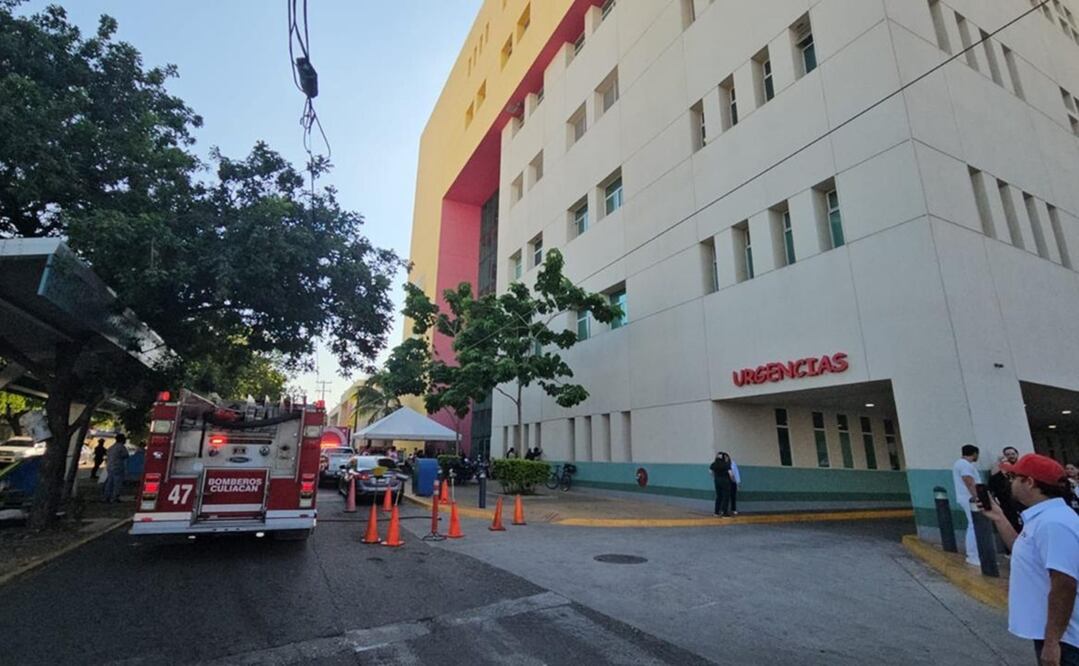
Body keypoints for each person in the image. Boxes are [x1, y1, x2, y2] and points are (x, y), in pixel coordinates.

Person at [980, 453, 1079, 666]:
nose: (1011, 483)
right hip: (1056, 634)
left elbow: (1065, 584)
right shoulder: (1042, 519)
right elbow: (1023, 550)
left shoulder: (1054, 524)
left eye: (1014, 478)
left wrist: (1052, 643)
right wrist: (998, 516)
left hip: (1067, 641)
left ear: (1030, 482)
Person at [953, 444, 982, 566]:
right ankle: (972, 555)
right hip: (969, 499)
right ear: (974, 453)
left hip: (967, 498)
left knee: (974, 525)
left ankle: (976, 554)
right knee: (973, 525)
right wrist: (977, 497)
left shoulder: (960, 464)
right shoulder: (964, 465)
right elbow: (969, 482)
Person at [989, 446, 1023, 533]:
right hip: (1008, 505)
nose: (1011, 456)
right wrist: (999, 462)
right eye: (1007, 454)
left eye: (1013, 454)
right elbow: (993, 479)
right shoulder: (1000, 472)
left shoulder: (1022, 468)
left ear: (1017, 455)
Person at [102, 434, 130, 503]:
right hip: (118, 466)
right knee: (117, 483)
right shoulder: (121, 447)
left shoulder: (111, 447)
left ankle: (106, 497)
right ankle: (114, 497)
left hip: (110, 467)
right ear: (122, 440)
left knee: (109, 482)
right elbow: (126, 455)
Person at [710, 452, 733, 517]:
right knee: (726, 497)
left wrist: (715, 476)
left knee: (718, 496)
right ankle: (724, 513)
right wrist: (732, 479)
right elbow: (730, 474)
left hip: (717, 481)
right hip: (725, 481)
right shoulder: (726, 464)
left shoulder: (714, 464)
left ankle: (716, 512)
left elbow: (710, 472)